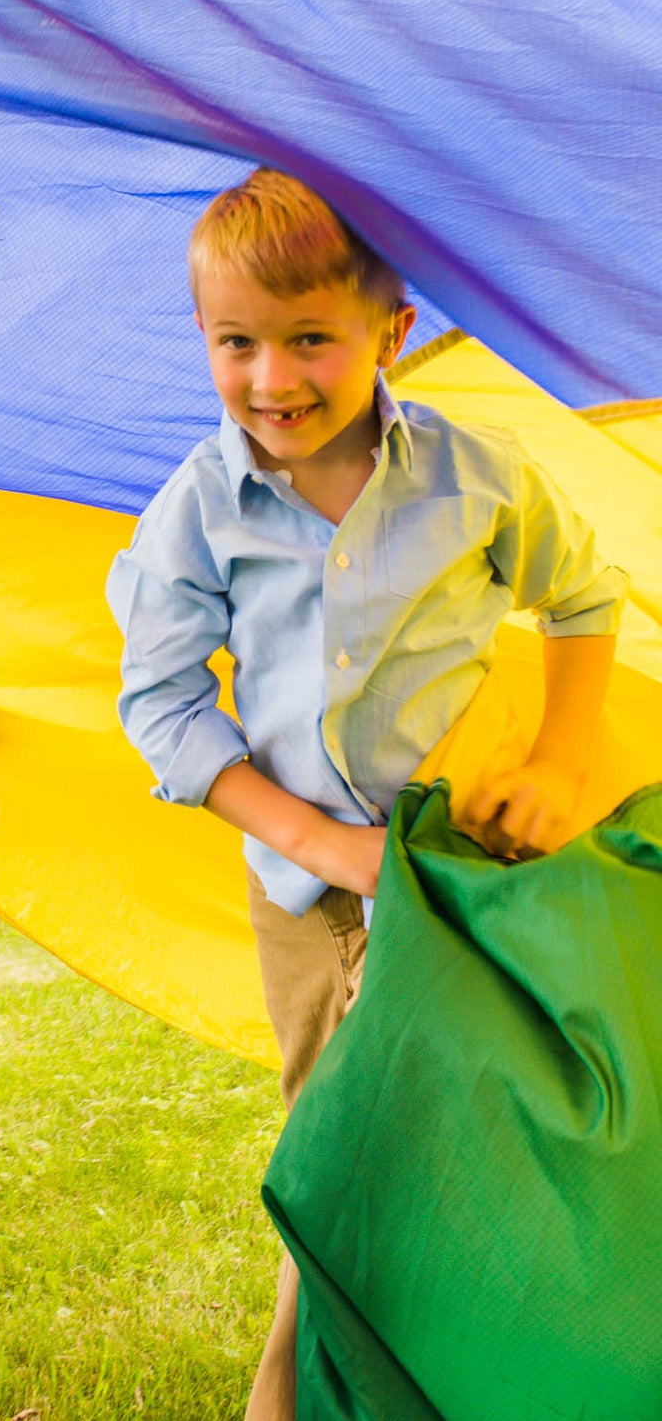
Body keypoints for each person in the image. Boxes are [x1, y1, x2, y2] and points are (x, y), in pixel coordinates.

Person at [105, 166, 625, 1419]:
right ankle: (291, 1378)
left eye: (308, 340)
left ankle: (445, 1360)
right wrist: (316, 844)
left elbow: (583, 596)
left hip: (465, 882)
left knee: (465, 1130)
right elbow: (160, 703)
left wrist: (558, 756)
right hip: (308, 897)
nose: (271, 380)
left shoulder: (470, 474)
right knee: (336, 1136)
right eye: (237, 343)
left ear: (388, 334)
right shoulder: (195, 511)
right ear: (201, 339)